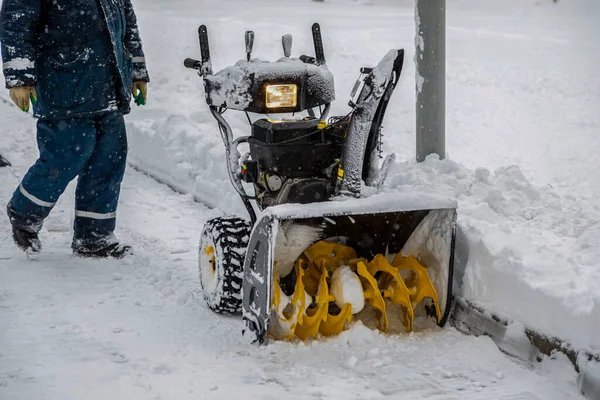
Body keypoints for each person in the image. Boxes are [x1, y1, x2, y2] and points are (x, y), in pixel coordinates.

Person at [0, 0, 149, 258]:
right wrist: (19, 76)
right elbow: (16, 20)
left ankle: (94, 237)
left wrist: (136, 70)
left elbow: (127, 20)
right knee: (67, 154)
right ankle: (25, 212)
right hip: (63, 79)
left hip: (109, 82)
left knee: (109, 159)